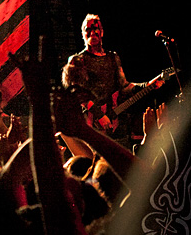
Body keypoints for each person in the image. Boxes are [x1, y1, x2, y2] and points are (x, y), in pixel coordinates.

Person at [61, 14, 164, 146]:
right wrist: (99, 115)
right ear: (82, 34)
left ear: (102, 32)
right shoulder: (77, 60)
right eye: (88, 29)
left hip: (116, 121)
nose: (92, 32)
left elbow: (124, 87)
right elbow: (77, 94)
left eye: (96, 28)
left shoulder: (113, 57)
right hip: (91, 123)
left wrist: (148, 85)